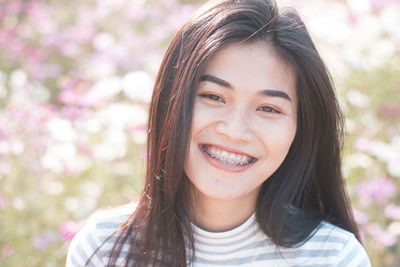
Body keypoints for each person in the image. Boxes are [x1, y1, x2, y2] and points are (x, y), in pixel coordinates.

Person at [67, 0, 371, 266]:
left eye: (268, 108)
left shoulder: (333, 258)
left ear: (299, 130)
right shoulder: (104, 249)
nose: (235, 131)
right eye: (213, 97)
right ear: (172, 101)